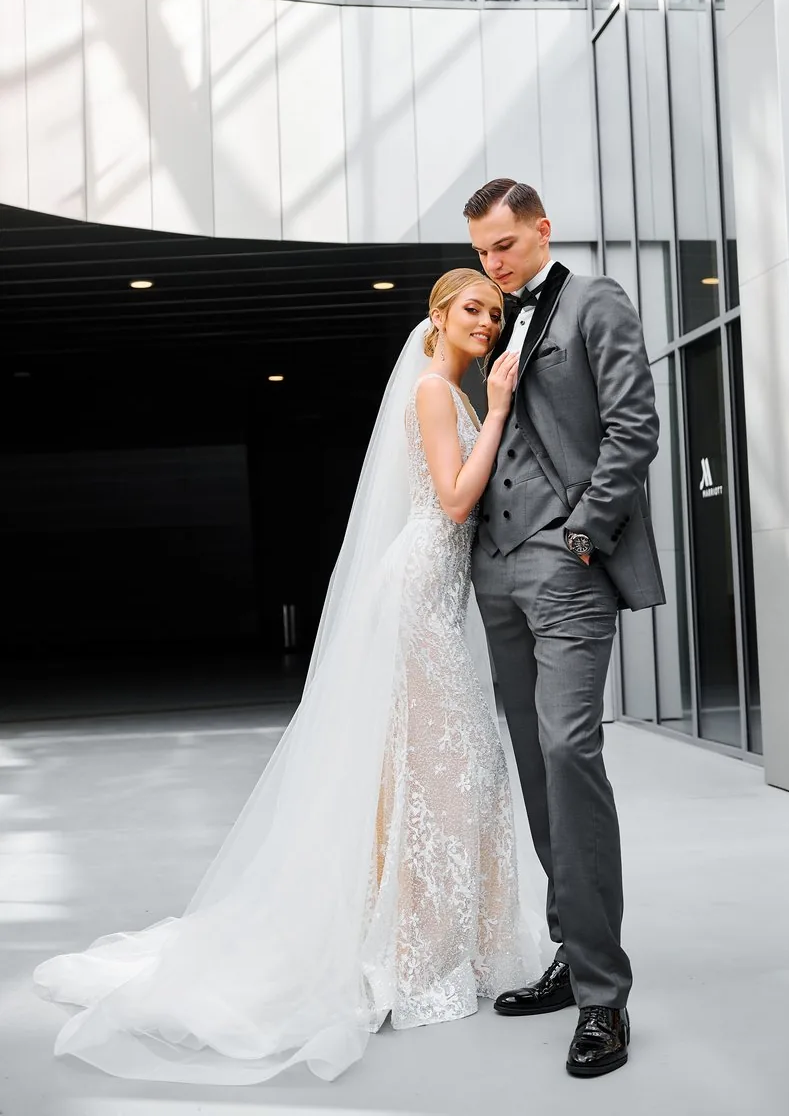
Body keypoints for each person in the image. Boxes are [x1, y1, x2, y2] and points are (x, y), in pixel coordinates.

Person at [33, 268, 543, 1086]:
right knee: (436, 773)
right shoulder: (431, 393)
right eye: (472, 309)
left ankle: (457, 943)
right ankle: (415, 954)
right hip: (418, 600)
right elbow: (451, 502)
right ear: (438, 318)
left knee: (455, 772)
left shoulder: (452, 396)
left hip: (441, 598)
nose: (487, 321)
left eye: (495, 310)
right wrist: (505, 408)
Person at [464, 179, 666, 1077]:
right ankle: (568, 950)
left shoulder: (594, 302)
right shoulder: (491, 320)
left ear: (541, 230)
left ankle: (603, 1000)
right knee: (531, 763)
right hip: (495, 568)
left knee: (567, 753)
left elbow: (633, 427)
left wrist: (585, 527)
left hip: (566, 562)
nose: (493, 264)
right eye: (480, 252)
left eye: (504, 246)